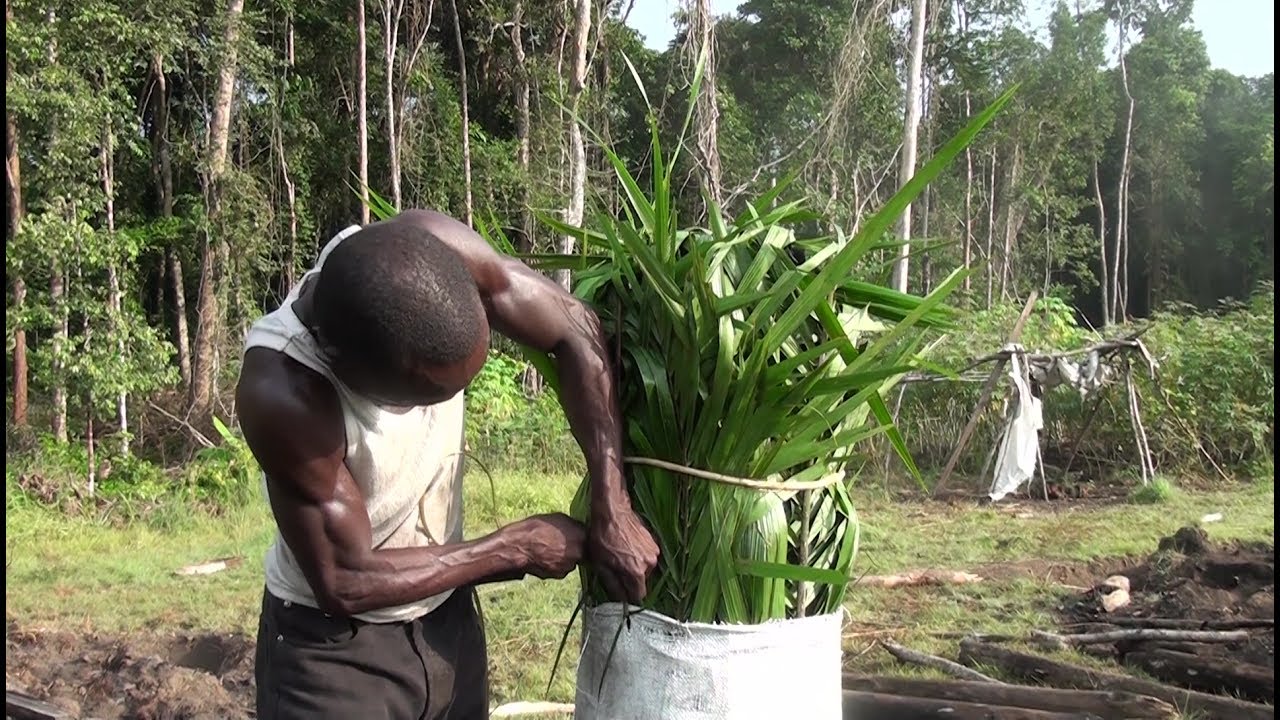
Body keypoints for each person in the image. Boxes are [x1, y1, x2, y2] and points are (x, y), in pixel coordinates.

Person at [234, 209, 660, 720]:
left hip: (446, 620)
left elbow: (574, 328)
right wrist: (515, 548)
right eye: (430, 395)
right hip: (334, 655)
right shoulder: (284, 392)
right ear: (346, 366)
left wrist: (611, 500)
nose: (450, 401)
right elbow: (346, 578)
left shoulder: (429, 248)